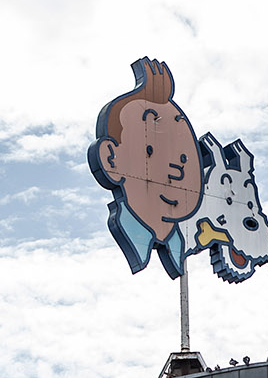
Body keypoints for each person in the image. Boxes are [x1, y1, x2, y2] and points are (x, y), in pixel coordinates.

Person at [88, 57, 205, 280]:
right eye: (149, 150)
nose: (175, 170)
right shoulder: (126, 230)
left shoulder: (189, 238)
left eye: (183, 158)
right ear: (110, 159)